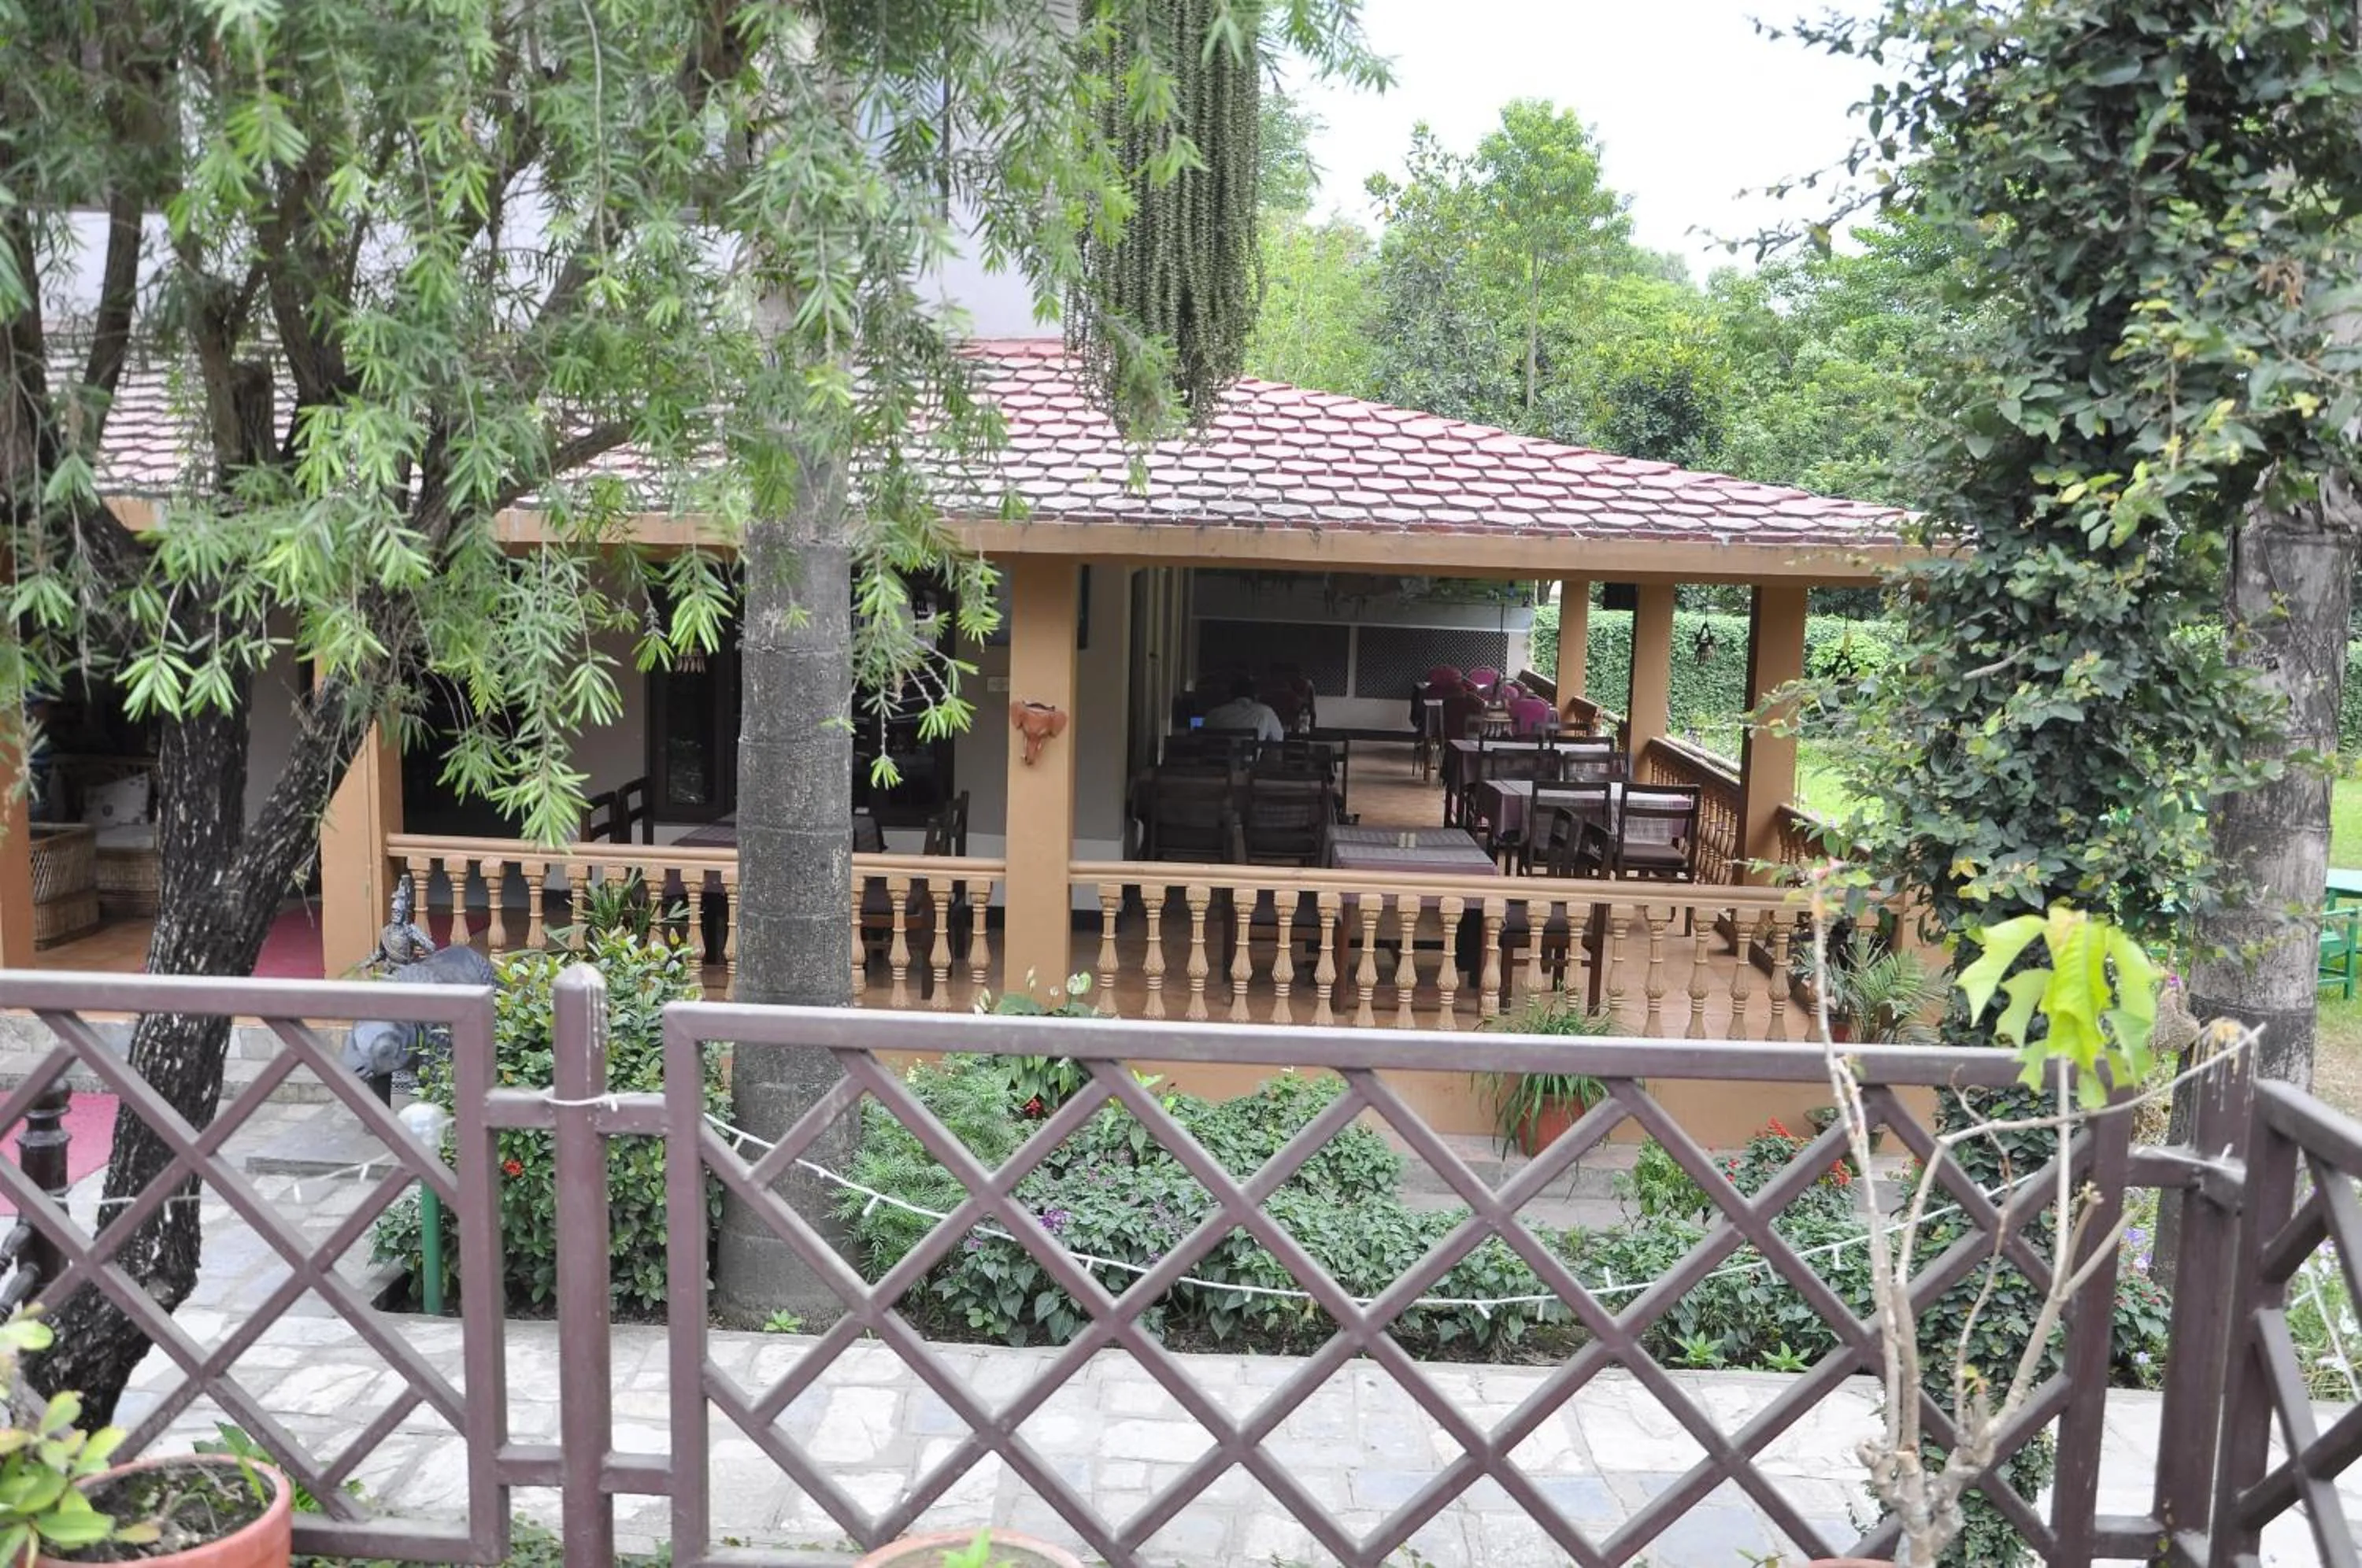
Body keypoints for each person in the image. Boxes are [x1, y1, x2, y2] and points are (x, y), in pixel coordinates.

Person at [1201, 675, 1285, 742]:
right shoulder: (1265, 712)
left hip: (1214, 763)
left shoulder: (1214, 714)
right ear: (1255, 696)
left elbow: (1202, 739)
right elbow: (1278, 738)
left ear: (1230, 695)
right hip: (1250, 763)